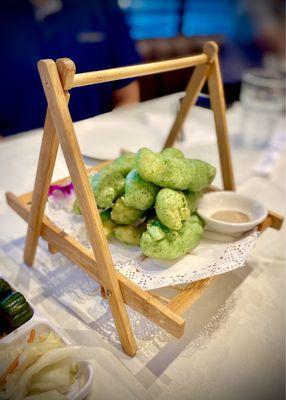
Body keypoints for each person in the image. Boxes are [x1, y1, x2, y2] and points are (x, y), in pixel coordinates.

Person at [0, 0, 140, 136]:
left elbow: (127, 91)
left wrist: (112, 135)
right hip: (14, 147)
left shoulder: (102, 6)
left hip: (97, 140)